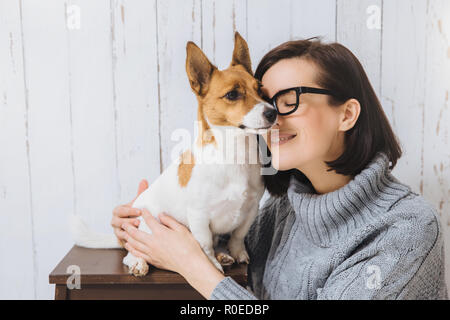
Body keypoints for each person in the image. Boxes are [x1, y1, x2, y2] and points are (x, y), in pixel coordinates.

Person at [111, 37, 447, 299]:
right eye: (266, 101)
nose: (269, 116)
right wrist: (144, 228)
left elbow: (201, 265)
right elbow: (213, 231)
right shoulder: (282, 211)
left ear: (346, 115)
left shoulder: (407, 230)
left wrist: (194, 266)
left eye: (289, 101)